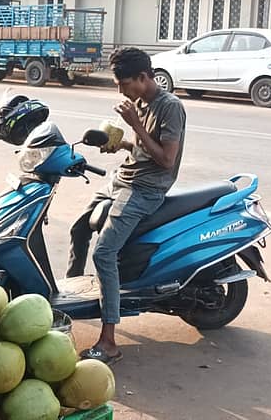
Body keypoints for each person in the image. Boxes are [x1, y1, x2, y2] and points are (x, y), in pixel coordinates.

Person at [68, 47, 186, 365]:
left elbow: (166, 159)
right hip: (122, 180)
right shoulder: (139, 101)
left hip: (145, 189)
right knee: (79, 228)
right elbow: (142, 147)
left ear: (143, 77)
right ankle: (67, 307)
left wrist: (134, 124)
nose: (120, 91)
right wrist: (119, 144)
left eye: (124, 84)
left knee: (104, 253)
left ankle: (108, 342)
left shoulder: (170, 107)